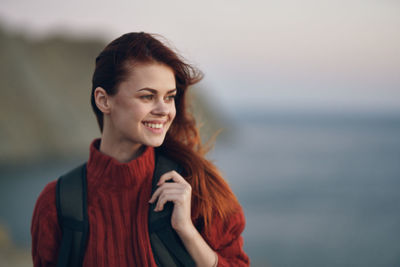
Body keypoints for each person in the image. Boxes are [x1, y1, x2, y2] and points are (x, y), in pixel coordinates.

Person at [31, 32, 250, 267]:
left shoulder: (197, 188)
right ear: (104, 100)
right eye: (147, 96)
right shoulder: (57, 204)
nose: (164, 110)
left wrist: (187, 232)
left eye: (169, 97)